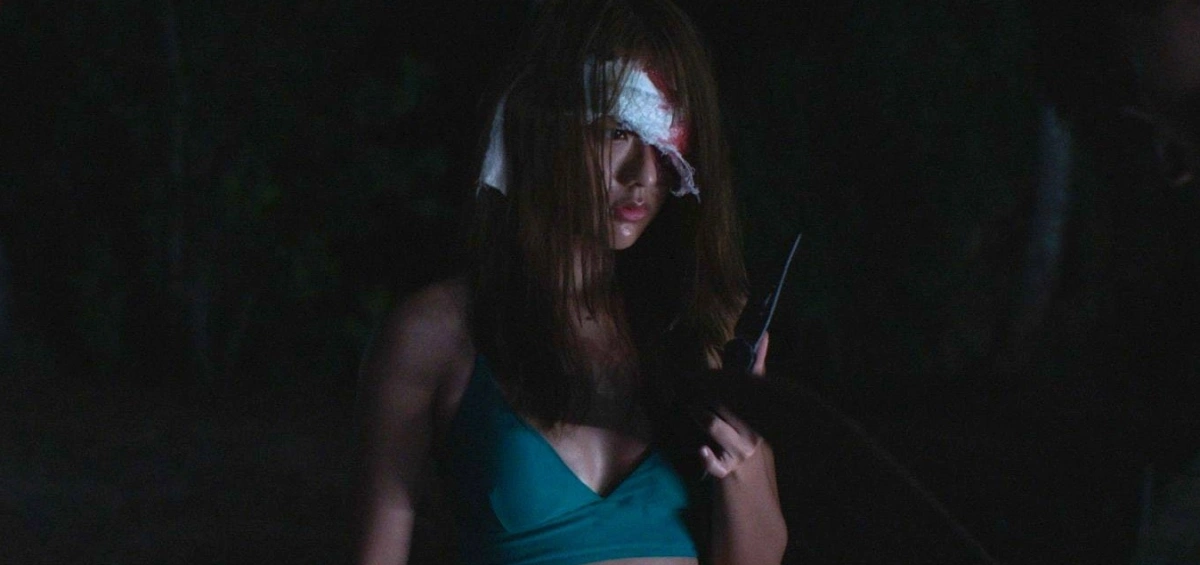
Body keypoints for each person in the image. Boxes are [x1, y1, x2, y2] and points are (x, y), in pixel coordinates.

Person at [356, 1, 787, 564]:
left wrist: (742, 462)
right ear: (546, 124)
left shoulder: (702, 325)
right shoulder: (436, 334)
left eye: (667, 142)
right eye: (617, 132)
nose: (644, 175)